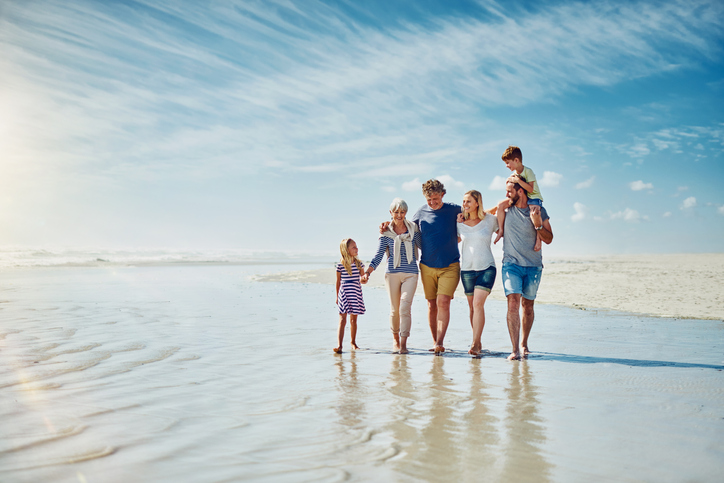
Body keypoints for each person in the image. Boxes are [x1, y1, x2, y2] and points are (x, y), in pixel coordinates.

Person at [382, 179, 461, 354]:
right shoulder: (420, 213)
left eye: (436, 198)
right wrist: (385, 227)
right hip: (427, 266)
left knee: (443, 302)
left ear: (443, 194)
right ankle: (435, 341)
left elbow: (476, 214)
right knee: (432, 304)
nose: (432, 203)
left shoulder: (455, 209)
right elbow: (403, 228)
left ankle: (440, 342)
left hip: (450, 264)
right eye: (429, 199)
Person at [500, 179, 553, 360]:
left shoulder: (538, 211)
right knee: (513, 302)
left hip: (533, 266)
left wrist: (537, 224)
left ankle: (524, 344)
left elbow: (549, 238)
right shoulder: (506, 209)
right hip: (511, 264)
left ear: (520, 191)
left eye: (509, 191)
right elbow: (483, 213)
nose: (507, 195)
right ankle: (514, 349)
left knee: (528, 306)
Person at [365, 198, 422, 354]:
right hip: (392, 275)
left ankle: (403, 343)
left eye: (402, 212)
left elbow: (425, 246)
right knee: (394, 310)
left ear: (406, 213)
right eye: (396, 212)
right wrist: (368, 272)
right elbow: (378, 256)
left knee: (405, 307)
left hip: (411, 273)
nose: (399, 215)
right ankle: (395, 340)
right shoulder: (386, 233)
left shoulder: (413, 230)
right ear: (390, 213)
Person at [457, 190, 498, 357]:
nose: (465, 204)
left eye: (468, 201)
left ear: (477, 203)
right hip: (467, 270)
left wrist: (495, 207)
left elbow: (503, 207)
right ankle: (478, 341)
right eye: (464, 201)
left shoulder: (490, 220)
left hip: (486, 268)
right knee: (472, 308)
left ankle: (474, 343)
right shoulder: (459, 223)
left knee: (478, 304)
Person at [494, 146, 546, 251]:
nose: (506, 166)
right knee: (500, 205)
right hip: (522, 196)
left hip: (534, 198)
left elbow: (531, 189)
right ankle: (501, 231)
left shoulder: (528, 171)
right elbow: (514, 185)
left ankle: (538, 240)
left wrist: (517, 181)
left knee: (534, 215)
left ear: (516, 160)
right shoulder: (514, 174)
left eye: (508, 162)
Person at [334, 238, 368, 354]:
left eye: (356, 246)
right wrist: (337, 296)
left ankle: (353, 342)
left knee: (353, 320)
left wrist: (364, 279)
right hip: (344, 293)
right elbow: (338, 281)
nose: (356, 249)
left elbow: (363, 279)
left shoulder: (359, 264)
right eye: (353, 247)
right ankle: (339, 345)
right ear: (346, 250)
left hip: (355, 293)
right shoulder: (340, 265)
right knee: (342, 320)